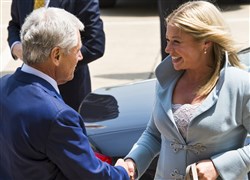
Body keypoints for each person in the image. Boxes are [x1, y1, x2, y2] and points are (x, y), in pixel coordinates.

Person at [0, 7, 130, 180]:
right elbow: (93, 176)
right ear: (57, 55)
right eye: (76, 50)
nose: (80, 57)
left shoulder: (3, 86)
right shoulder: (58, 116)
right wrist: (122, 171)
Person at [125, 1, 250, 179]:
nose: (168, 49)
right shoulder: (165, 78)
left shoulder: (240, 83)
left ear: (205, 43)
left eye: (176, 42)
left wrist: (218, 166)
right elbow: (154, 134)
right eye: (168, 40)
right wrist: (133, 162)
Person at [7, 0, 105, 111]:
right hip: (27, 86)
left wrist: (49, 63)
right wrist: (15, 46)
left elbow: (95, 45)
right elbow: (14, 24)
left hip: (68, 91)